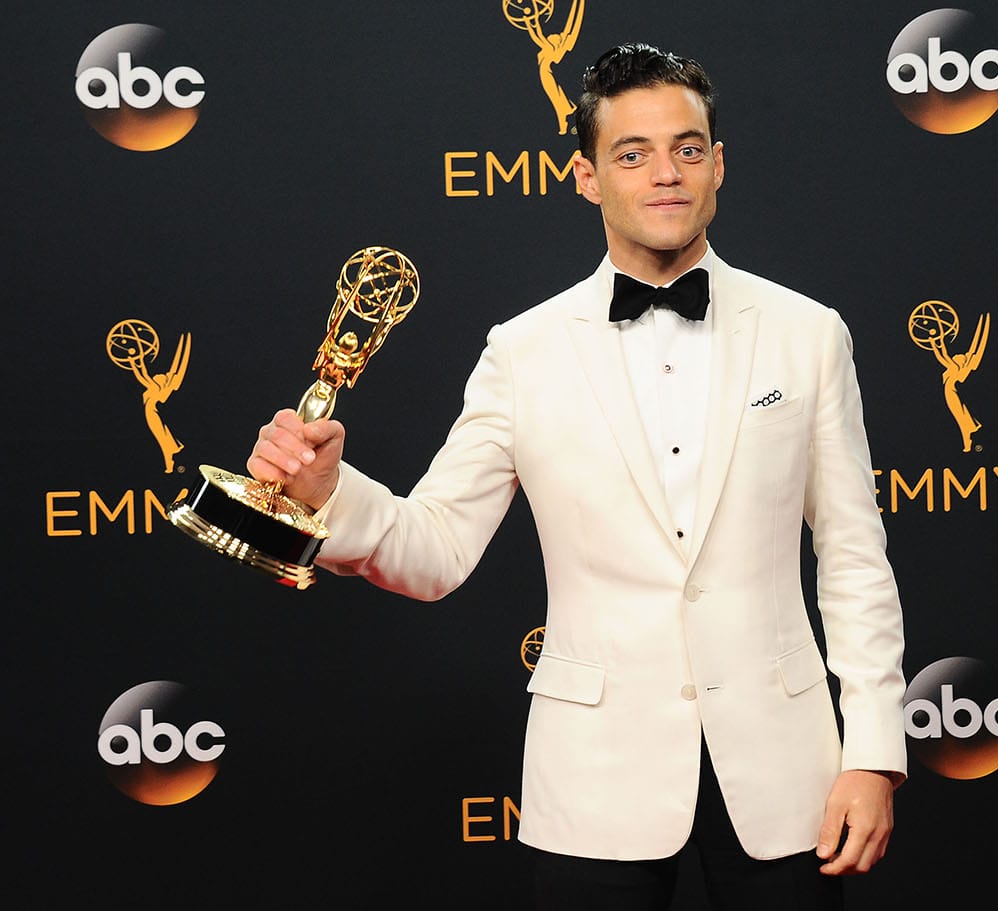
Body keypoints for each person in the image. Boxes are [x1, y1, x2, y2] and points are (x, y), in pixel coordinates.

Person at [247, 43, 907, 911]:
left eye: (687, 148)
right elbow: (435, 550)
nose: (665, 173)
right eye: (632, 153)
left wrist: (872, 752)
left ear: (718, 166)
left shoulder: (808, 333)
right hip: (597, 773)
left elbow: (855, 557)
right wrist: (329, 491)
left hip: (786, 769)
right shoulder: (522, 351)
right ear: (587, 177)